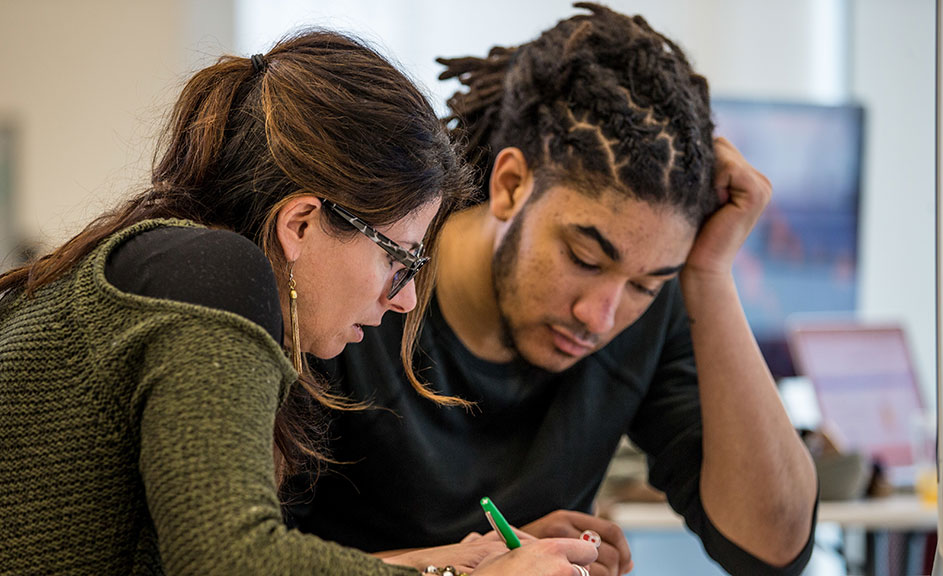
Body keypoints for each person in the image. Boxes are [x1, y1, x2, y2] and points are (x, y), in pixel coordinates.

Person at [0, 30, 601, 575]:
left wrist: (450, 563)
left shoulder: (137, 269)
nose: (404, 300)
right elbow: (229, 561)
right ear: (301, 224)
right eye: (399, 259)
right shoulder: (216, 274)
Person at [284, 5, 819, 576]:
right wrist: (469, 566)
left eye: (646, 283)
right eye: (585, 258)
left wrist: (710, 277)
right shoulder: (352, 288)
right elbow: (225, 559)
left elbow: (773, 547)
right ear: (511, 185)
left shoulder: (647, 313)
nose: (600, 316)